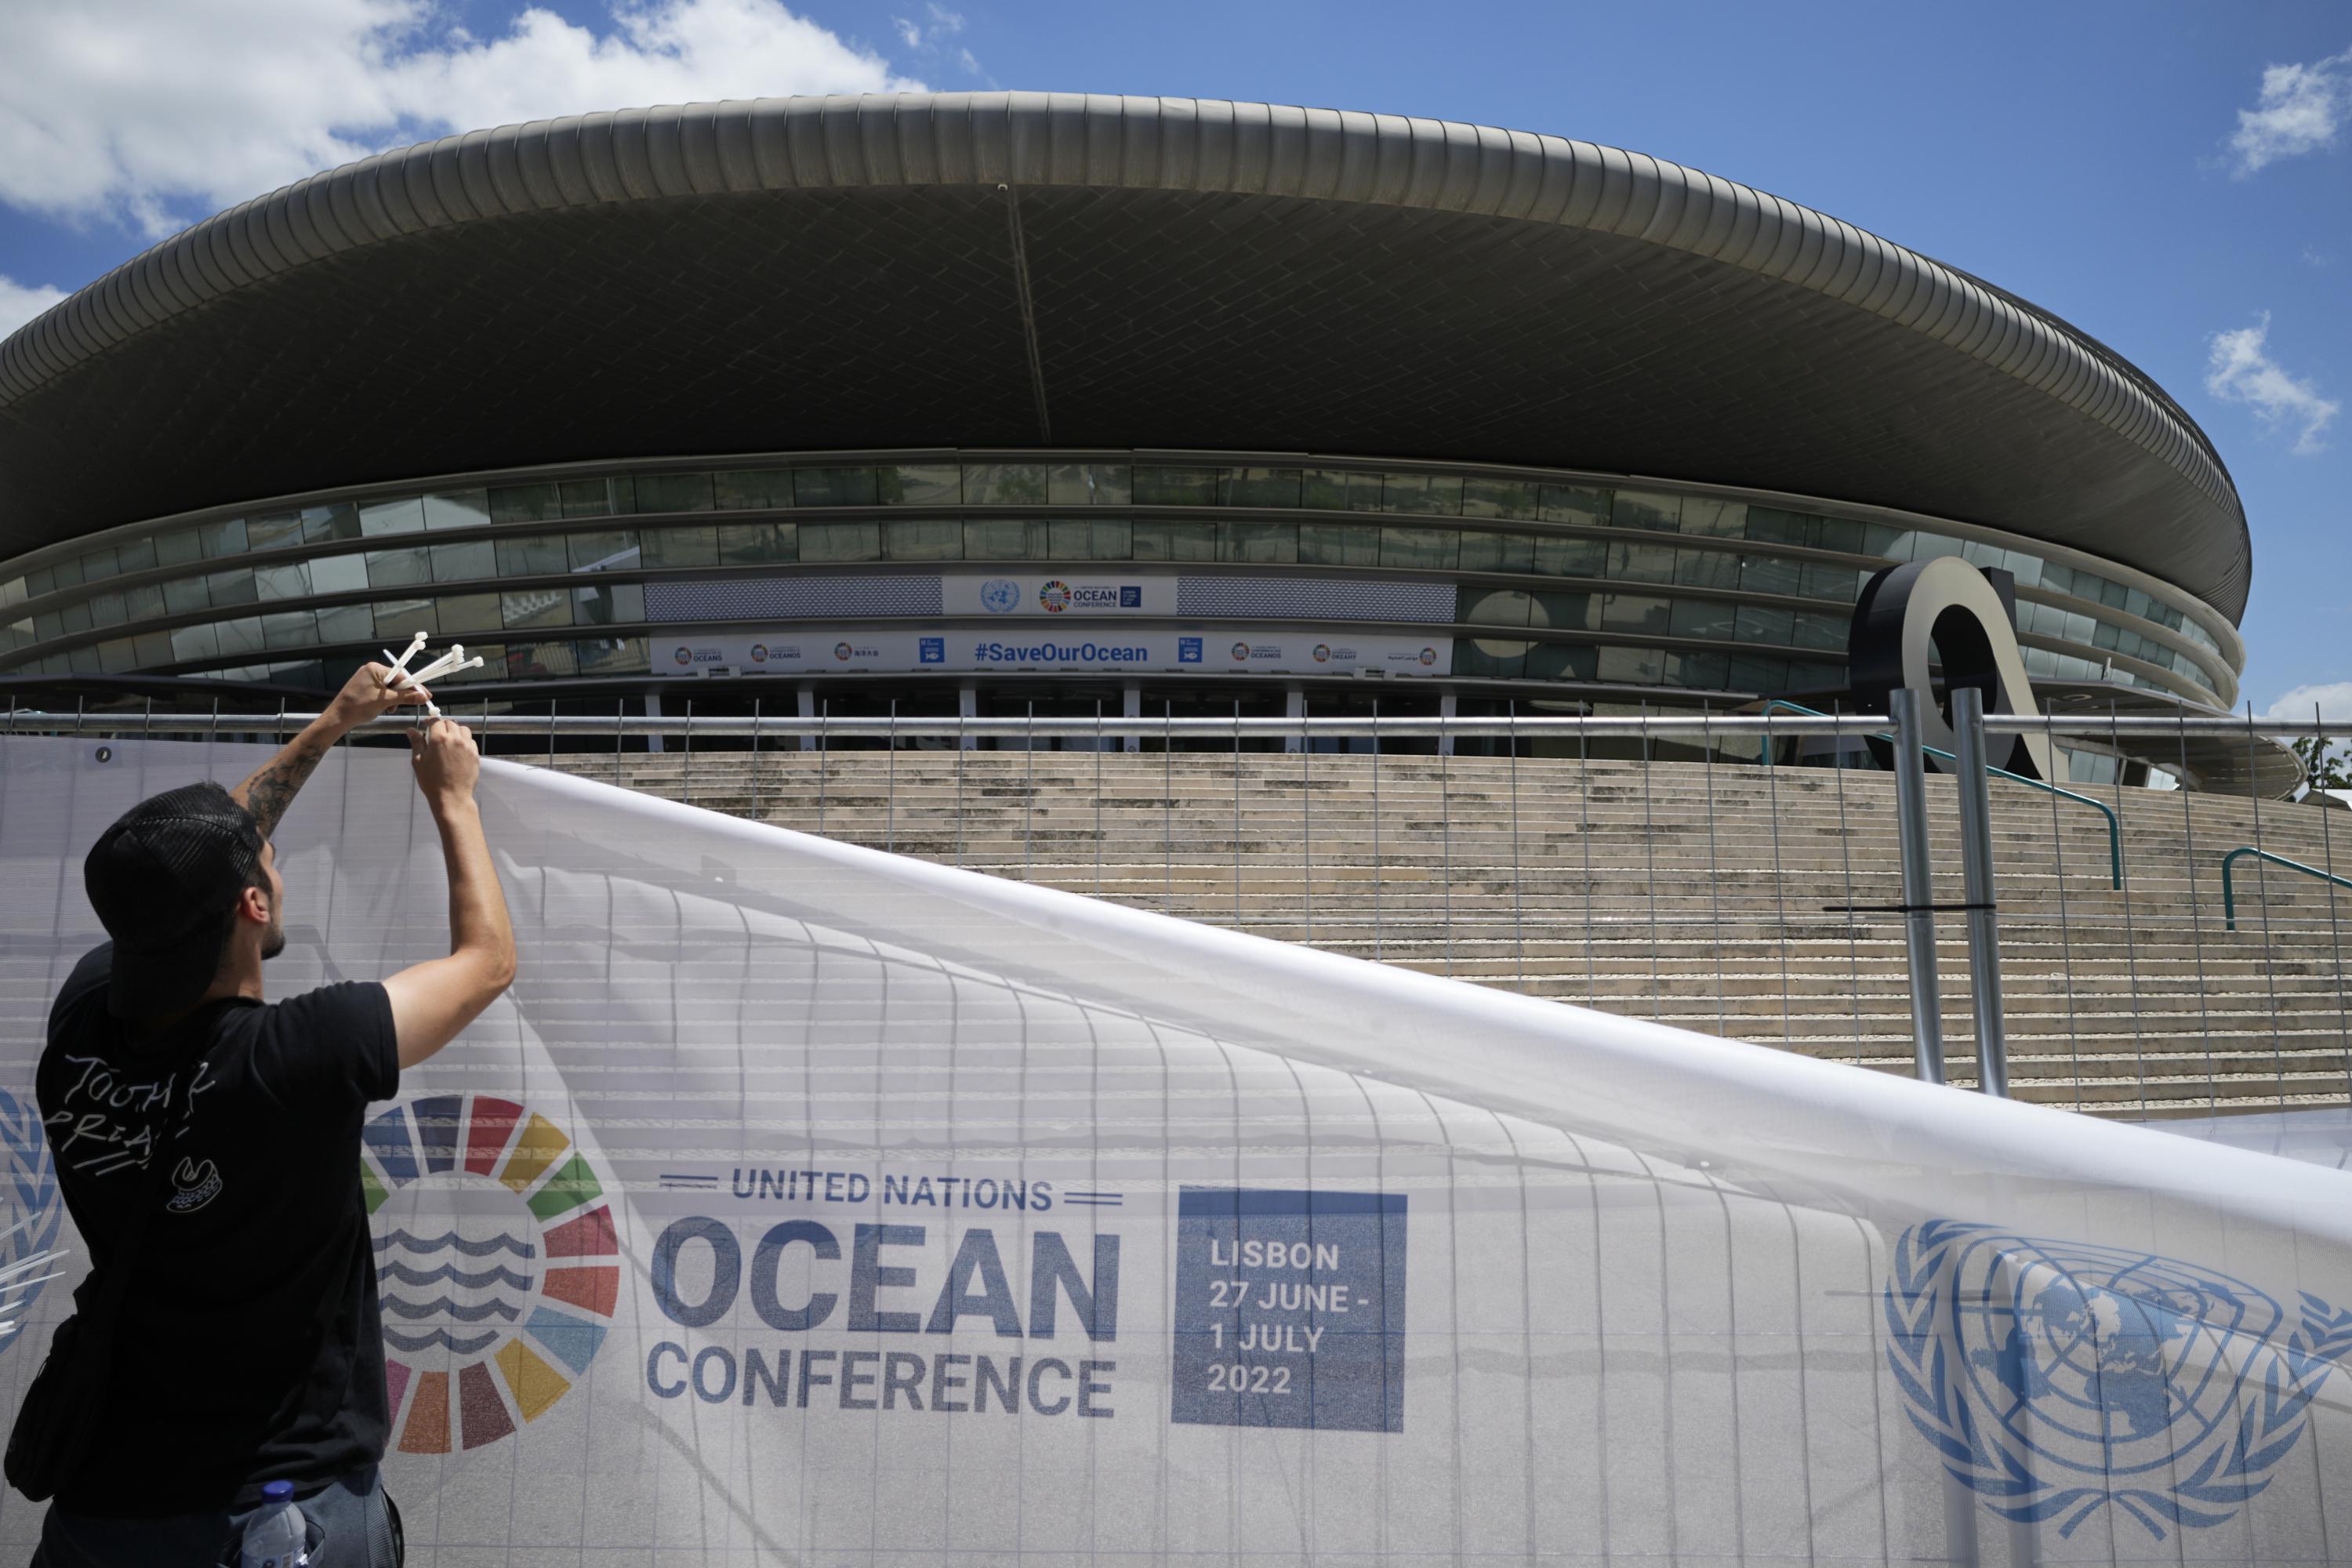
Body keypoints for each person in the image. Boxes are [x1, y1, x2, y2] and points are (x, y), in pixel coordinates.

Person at [26, 663, 517, 1566]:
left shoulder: (82, 1023)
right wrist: (454, 797)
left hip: (104, 1509)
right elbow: (485, 962)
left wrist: (333, 722)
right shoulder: (294, 1054)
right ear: (254, 902)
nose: (275, 861)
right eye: (268, 864)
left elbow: (187, 861)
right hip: (272, 1516)